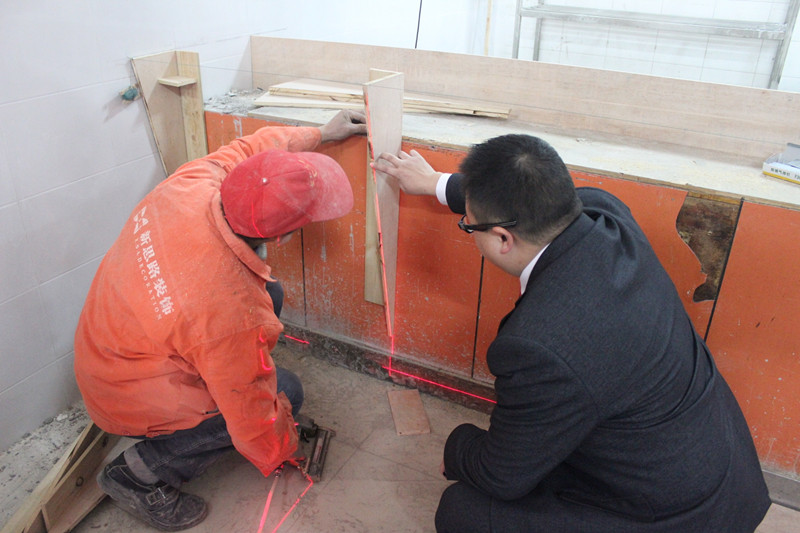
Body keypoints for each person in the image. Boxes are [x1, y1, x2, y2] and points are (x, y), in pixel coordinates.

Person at [373, 135, 771, 533]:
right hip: (720, 464)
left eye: (469, 226)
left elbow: (501, 476)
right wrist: (437, 183)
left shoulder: (540, 345)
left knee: (463, 511)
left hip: (683, 515)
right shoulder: (606, 214)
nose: (469, 230)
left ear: (502, 239)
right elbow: (534, 198)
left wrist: (457, 447)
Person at [74, 110, 366, 531]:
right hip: (126, 397)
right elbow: (250, 412)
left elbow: (251, 148)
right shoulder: (230, 308)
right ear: (280, 237)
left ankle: (211, 385)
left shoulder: (193, 183)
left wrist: (321, 132)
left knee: (270, 295)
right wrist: (283, 448)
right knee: (285, 391)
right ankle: (138, 473)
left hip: (110, 353)